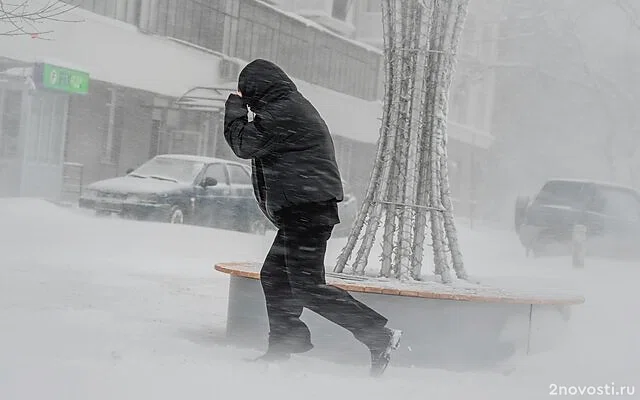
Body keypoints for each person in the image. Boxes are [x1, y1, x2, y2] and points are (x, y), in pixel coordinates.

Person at [223, 59, 402, 377]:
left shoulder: (284, 112)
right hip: (304, 210)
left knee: (307, 286)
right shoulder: (287, 106)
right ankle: (283, 341)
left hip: (307, 210)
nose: (246, 98)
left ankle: (378, 334)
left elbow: (243, 144)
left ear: (257, 89)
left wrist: (234, 107)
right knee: (276, 277)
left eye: (247, 92)